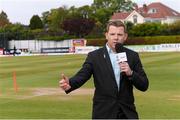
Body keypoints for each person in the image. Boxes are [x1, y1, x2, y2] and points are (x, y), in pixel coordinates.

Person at [59, 20, 149, 119]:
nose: (116, 38)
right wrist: (70, 83)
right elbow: (82, 75)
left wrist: (131, 73)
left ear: (125, 36)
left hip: (127, 113)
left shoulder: (132, 56)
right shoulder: (94, 56)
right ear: (106, 35)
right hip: (103, 113)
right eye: (112, 34)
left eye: (119, 34)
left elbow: (144, 85)